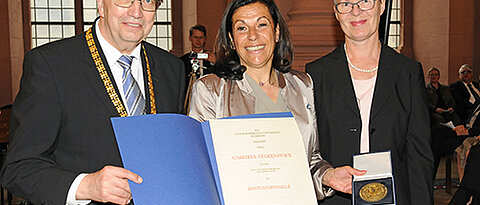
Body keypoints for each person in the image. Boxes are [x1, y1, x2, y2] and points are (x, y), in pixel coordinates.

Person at [0, 0, 185, 204]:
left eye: (147, 1)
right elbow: (18, 168)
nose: (136, 12)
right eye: (125, 0)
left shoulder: (172, 69)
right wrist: (86, 185)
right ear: (100, 4)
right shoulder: (51, 65)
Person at [188, 0, 365, 201]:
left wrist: (328, 175)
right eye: (242, 27)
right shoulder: (211, 90)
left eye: (261, 24)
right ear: (231, 39)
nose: (252, 35)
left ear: (277, 32)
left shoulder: (302, 85)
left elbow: (311, 159)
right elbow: (199, 166)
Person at [305, 0, 434, 204]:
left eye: (365, 1)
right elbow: (309, 151)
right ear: (336, 12)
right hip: (337, 199)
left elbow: (419, 155)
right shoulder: (316, 74)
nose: (356, 11)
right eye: (345, 3)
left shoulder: (407, 72)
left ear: (382, 5)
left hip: (395, 197)